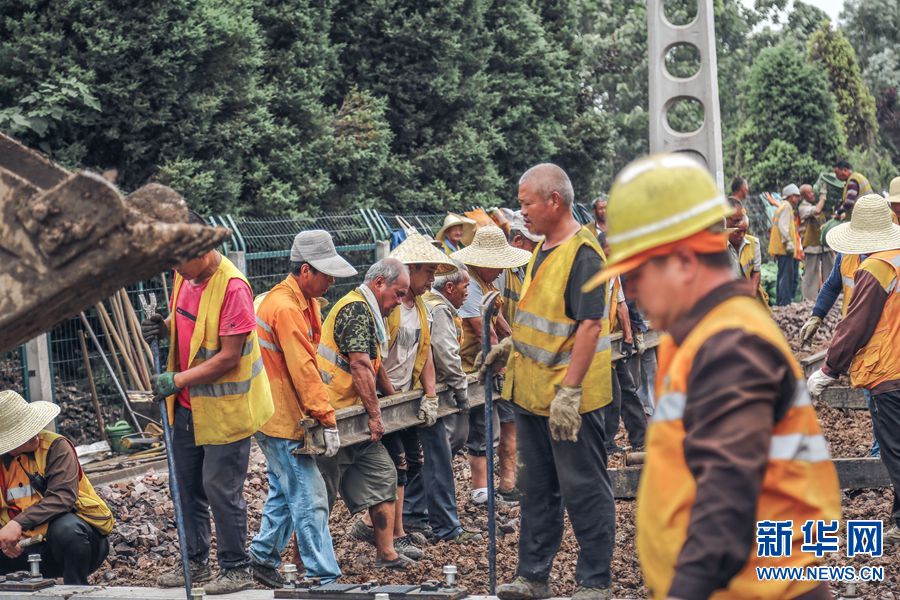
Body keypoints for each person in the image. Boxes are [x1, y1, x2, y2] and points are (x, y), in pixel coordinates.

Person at [588, 153, 840, 599]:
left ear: (684, 261)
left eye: (638, 274)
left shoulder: (729, 345)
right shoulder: (696, 336)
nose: (634, 292)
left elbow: (726, 510)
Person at [491, 163, 614, 600]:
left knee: (583, 488)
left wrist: (570, 392)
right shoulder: (545, 248)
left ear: (553, 201)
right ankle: (533, 576)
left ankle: (595, 580)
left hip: (568, 398)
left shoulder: (583, 254)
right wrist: (513, 346)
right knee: (537, 488)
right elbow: (546, 318)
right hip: (532, 393)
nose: (521, 212)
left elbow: (590, 326)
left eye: (526, 203)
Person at [142, 212, 274, 594]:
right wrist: (163, 326)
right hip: (186, 406)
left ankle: (236, 567)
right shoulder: (184, 275)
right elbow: (190, 321)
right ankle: (195, 563)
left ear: (203, 250)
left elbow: (229, 356)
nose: (175, 269)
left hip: (226, 409)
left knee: (220, 487)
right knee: (185, 486)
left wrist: (176, 379)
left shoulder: (233, 287)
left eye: (179, 260)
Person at [249, 231, 357, 587]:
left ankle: (263, 557)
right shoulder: (285, 308)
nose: (331, 282)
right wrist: (326, 418)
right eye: (326, 275)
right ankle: (324, 576)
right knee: (310, 497)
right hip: (282, 418)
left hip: (278, 413)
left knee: (285, 492)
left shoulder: (300, 302)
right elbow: (303, 369)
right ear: (306, 270)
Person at [807, 193, 900, 545]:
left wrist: (827, 371)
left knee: (895, 451)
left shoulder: (877, 268)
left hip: (888, 370)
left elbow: (856, 326)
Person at [353, 231, 453, 556]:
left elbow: (423, 354)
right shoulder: (391, 306)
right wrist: (391, 394)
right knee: (395, 462)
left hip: (405, 394)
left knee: (413, 460)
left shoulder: (422, 307)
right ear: (411, 270)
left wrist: (429, 394)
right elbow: (376, 357)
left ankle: (382, 526)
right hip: (386, 394)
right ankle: (392, 533)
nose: (432, 280)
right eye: (428, 273)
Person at [315, 258, 414, 569]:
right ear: (379, 284)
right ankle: (303, 561)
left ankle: (386, 553)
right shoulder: (357, 309)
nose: (399, 302)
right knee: (320, 495)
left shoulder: (368, 311)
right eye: (398, 294)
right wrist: (375, 416)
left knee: (383, 474)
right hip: (332, 418)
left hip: (352, 418)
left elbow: (373, 364)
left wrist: (394, 400)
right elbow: (359, 365)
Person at [452, 226, 531, 506]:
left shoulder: (489, 284)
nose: (500, 271)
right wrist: (500, 364)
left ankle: (503, 486)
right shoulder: (470, 285)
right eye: (496, 265)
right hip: (471, 365)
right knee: (479, 429)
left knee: (499, 426)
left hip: (489, 363)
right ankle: (480, 491)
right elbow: (485, 331)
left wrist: (516, 345)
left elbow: (499, 322)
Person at [0, 391, 114, 585]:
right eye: (24, 431)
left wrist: (17, 524)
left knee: (67, 529)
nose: (35, 432)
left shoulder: (56, 447)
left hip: (71, 545)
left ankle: (76, 590)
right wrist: (5, 539)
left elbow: (62, 497)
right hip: (21, 551)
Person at [405, 261, 482, 542]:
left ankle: (414, 514)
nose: (467, 292)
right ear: (449, 287)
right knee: (436, 457)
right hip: (426, 392)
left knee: (420, 456)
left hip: (415, 389)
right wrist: (462, 392)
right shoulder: (437, 309)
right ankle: (446, 526)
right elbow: (445, 355)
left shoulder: (425, 303)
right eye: (464, 286)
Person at [602, 272, 645, 453]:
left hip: (609, 340)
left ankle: (641, 438)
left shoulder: (614, 274)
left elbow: (621, 305)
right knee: (614, 394)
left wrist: (628, 337)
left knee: (627, 389)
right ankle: (607, 443)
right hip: (599, 344)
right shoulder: (593, 270)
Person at [727, 199, 768, 307]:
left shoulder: (753, 243)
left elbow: (756, 272)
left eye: (744, 231)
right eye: (737, 231)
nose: (741, 235)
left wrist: (752, 291)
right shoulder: (718, 246)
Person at [798, 184, 833, 301]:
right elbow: (817, 210)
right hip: (811, 245)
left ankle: (829, 296)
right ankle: (809, 299)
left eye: (812, 192)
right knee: (811, 273)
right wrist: (823, 196)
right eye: (809, 193)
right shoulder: (803, 207)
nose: (812, 194)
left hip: (824, 244)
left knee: (830, 269)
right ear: (803, 196)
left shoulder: (817, 204)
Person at [768, 183, 801, 306]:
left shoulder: (782, 207)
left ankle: (780, 301)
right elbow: (783, 227)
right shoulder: (786, 207)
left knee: (782, 275)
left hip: (779, 248)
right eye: (796, 196)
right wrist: (788, 243)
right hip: (784, 248)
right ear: (791, 196)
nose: (798, 199)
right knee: (786, 276)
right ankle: (785, 303)